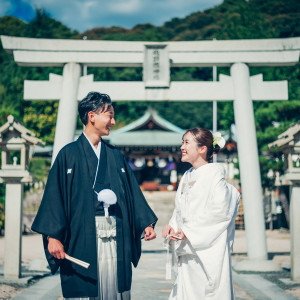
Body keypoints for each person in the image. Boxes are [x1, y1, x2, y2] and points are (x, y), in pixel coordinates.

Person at [32, 92, 158, 299]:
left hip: (116, 234)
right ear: (92, 116)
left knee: (114, 289)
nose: (113, 121)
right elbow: (55, 197)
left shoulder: (116, 156)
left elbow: (132, 193)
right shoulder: (68, 154)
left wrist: (145, 222)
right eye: (109, 115)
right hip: (81, 236)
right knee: (83, 288)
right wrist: (53, 236)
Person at [162, 128, 240, 300]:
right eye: (182, 142)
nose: (182, 146)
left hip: (207, 251)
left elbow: (220, 212)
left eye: (187, 142)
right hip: (187, 249)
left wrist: (188, 231)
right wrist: (172, 226)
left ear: (202, 148)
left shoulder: (215, 176)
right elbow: (179, 210)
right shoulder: (186, 176)